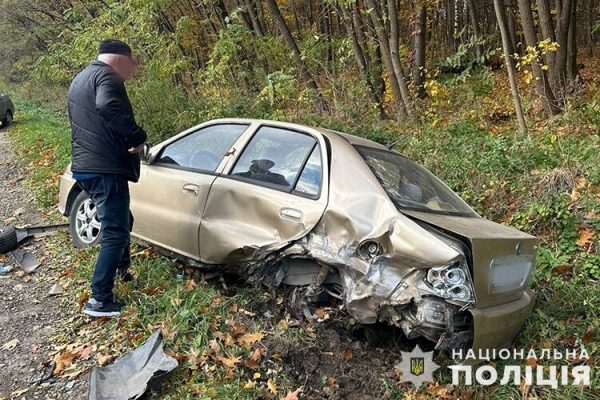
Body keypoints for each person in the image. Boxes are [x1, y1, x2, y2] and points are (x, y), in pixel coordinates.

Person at [67, 39, 147, 317]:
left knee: (123, 220)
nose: (130, 71)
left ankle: (122, 273)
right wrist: (136, 136)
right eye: (129, 64)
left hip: (85, 166)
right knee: (115, 230)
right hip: (105, 167)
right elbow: (108, 106)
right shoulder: (108, 76)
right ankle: (99, 300)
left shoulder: (81, 78)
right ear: (120, 61)